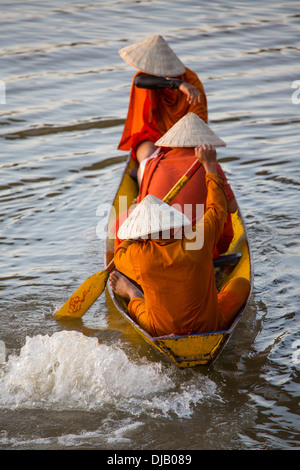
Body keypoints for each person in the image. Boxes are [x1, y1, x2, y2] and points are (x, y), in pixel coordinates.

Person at [109, 142, 250, 337]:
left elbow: (120, 253)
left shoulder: (136, 256)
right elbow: (218, 208)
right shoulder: (197, 240)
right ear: (173, 223)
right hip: (209, 325)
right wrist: (209, 166)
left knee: (136, 300)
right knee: (242, 283)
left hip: (159, 329)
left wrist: (135, 218)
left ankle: (133, 294)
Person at [114, 113, 238, 258]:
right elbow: (232, 207)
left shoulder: (151, 164)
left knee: (123, 219)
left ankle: (122, 263)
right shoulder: (210, 165)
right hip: (198, 244)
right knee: (221, 205)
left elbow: (144, 210)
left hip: (158, 243)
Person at [118, 35, 208, 185]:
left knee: (182, 169)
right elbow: (139, 81)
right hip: (153, 135)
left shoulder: (192, 82)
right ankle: (142, 196)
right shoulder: (147, 78)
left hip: (183, 140)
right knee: (147, 161)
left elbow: (199, 124)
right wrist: (177, 84)